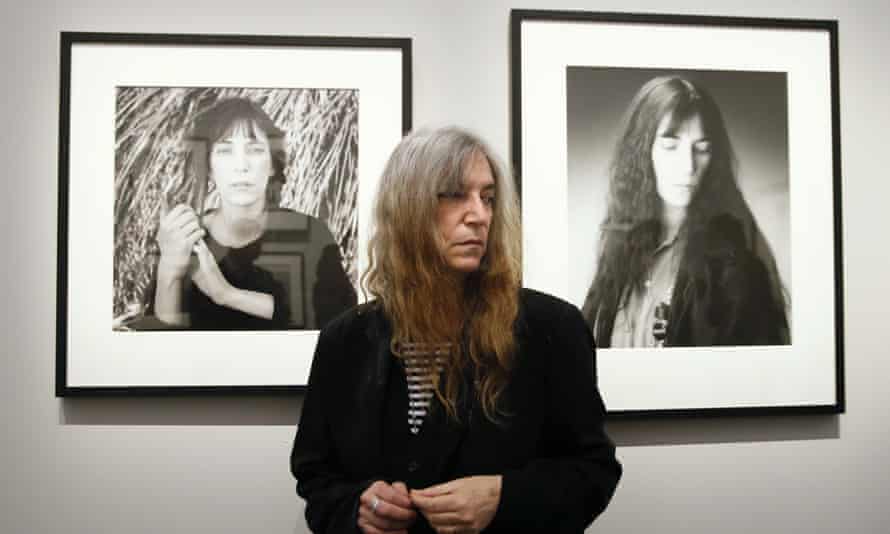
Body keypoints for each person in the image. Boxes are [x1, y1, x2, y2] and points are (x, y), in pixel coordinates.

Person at [291, 127, 621, 533]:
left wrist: (504, 497)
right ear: (406, 208)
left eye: (488, 198)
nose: (479, 215)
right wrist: (357, 509)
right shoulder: (345, 341)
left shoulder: (552, 329)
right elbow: (315, 476)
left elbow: (594, 471)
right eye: (453, 195)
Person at [581, 76, 790, 348]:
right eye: (670, 146)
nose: (688, 166)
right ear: (642, 152)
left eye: (702, 149)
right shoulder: (620, 246)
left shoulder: (736, 262)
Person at [148, 97, 355, 330]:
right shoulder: (184, 235)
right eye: (225, 151)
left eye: (254, 150)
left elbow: (342, 323)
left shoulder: (311, 236)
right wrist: (169, 270)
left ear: (272, 166)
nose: (241, 165)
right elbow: (162, 344)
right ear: (209, 167)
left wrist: (226, 294)